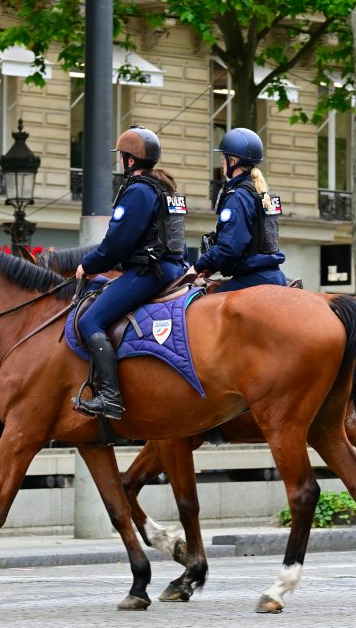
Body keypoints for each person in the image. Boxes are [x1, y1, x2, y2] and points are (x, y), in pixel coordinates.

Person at [73, 125, 187, 420]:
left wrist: (89, 265)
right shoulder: (164, 187)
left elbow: (117, 244)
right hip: (173, 267)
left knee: (91, 320)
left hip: (150, 271)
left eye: (122, 156)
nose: (120, 161)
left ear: (131, 160)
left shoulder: (138, 191)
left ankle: (110, 397)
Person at [195, 128, 286, 291]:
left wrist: (197, 267)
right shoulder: (262, 192)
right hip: (274, 276)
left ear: (233, 161)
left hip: (252, 280)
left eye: (224, 157)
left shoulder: (238, 196)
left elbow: (230, 247)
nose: (222, 161)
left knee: (198, 308)